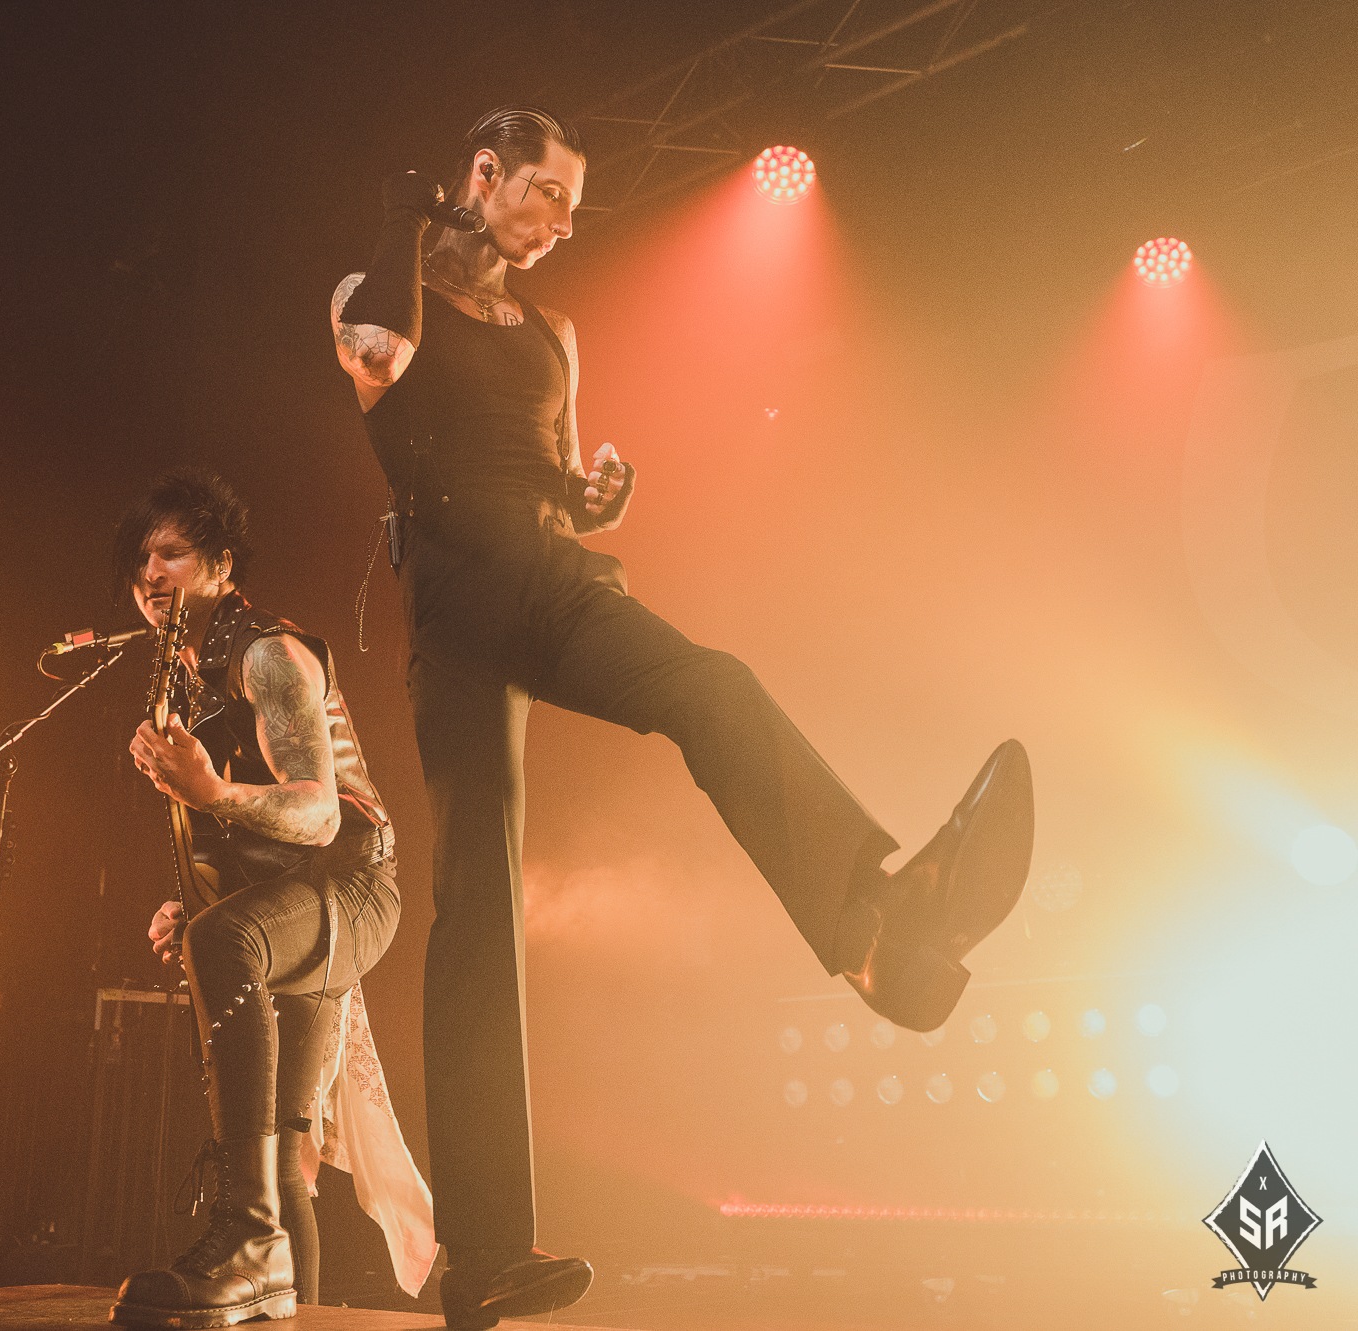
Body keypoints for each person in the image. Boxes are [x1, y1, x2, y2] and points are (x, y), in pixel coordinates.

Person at [330, 105, 1035, 1328]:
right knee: (477, 899)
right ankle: (483, 1256)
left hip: (554, 581)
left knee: (713, 685)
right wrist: (404, 218)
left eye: (572, 204)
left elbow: (549, 474)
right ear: (483, 174)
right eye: (545, 193)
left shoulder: (552, 333)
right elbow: (377, 358)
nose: (562, 222)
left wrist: (590, 495)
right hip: (456, 607)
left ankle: (874, 924)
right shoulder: (379, 292)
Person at [109, 469, 433, 1328]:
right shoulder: (190, 678)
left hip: (352, 886)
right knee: (289, 1156)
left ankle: (246, 1235)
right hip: (291, 901)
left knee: (225, 944)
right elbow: (235, 844)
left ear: (221, 562)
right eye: (139, 560)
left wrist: (212, 794)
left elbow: (320, 813)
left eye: (171, 553)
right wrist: (189, 903)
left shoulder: (267, 655)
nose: (150, 573)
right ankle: (282, 1286)